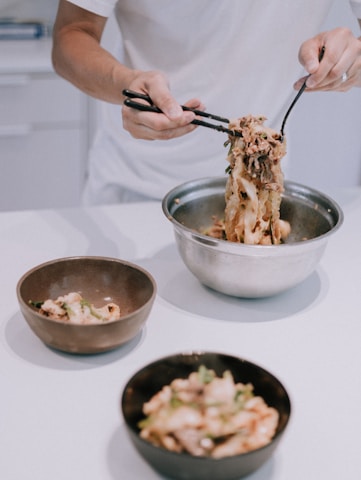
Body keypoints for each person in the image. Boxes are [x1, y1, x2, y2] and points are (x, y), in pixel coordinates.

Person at [52, 0, 361, 205]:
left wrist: (353, 57)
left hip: (261, 190)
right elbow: (71, 35)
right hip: (135, 186)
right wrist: (126, 83)